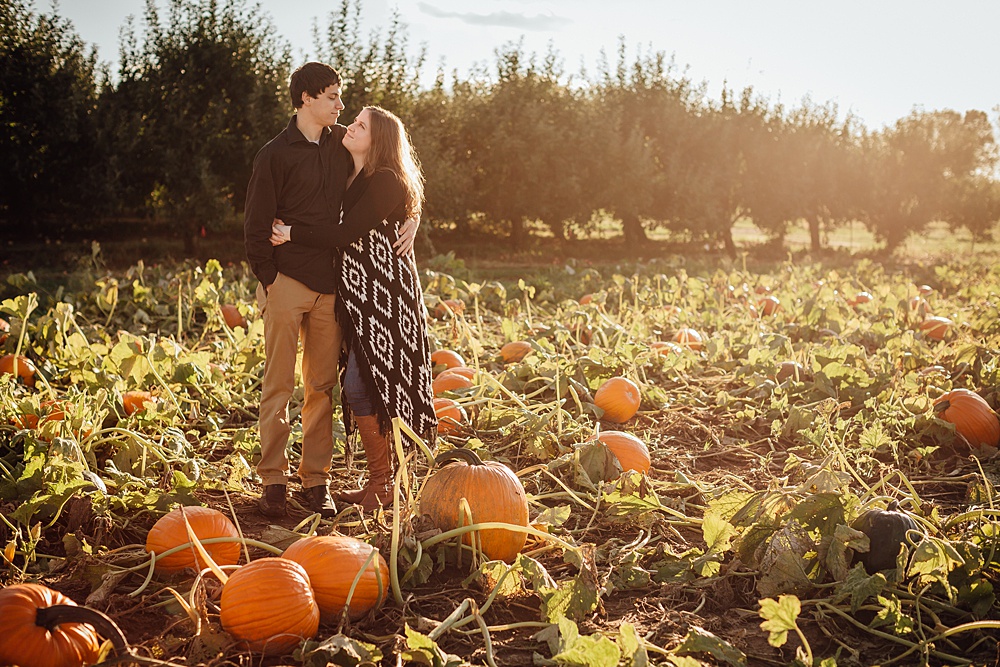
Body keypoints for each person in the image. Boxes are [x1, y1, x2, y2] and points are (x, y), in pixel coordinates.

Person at [270, 106, 437, 511]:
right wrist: (414, 213)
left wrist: (292, 232)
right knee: (365, 385)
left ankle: (384, 482)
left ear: (376, 140)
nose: (351, 126)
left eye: (361, 124)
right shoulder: (352, 169)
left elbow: (345, 233)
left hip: (388, 300)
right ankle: (383, 483)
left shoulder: (385, 181)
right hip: (360, 301)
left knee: (370, 385)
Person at [243, 62, 350, 519]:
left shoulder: (342, 144)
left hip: (330, 285)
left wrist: (412, 215)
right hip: (287, 281)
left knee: (321, 388)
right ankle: (273, 481)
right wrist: (270, 279)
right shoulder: (274, 155)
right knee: (279, 384)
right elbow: (254, 223)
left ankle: (316, 480)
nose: (340, 105)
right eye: (331, 96)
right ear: (305, 98)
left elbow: (387, 172)